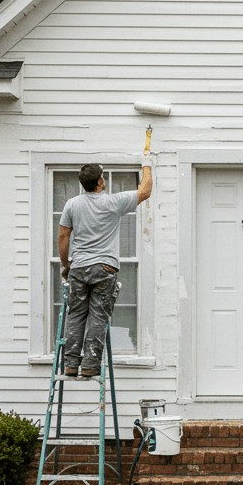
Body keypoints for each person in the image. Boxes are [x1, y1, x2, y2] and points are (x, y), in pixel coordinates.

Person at [58, 153, 152, 378]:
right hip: (105, 268)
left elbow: (63, 237)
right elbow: (145, 191)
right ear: (100, 181)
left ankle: (71, 364)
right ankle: (90, 364)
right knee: (98, 316)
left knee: (76, 315)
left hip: (79, 268)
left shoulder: (72, 204)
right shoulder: (113, 202)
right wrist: (146, 163)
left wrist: (66, 265)